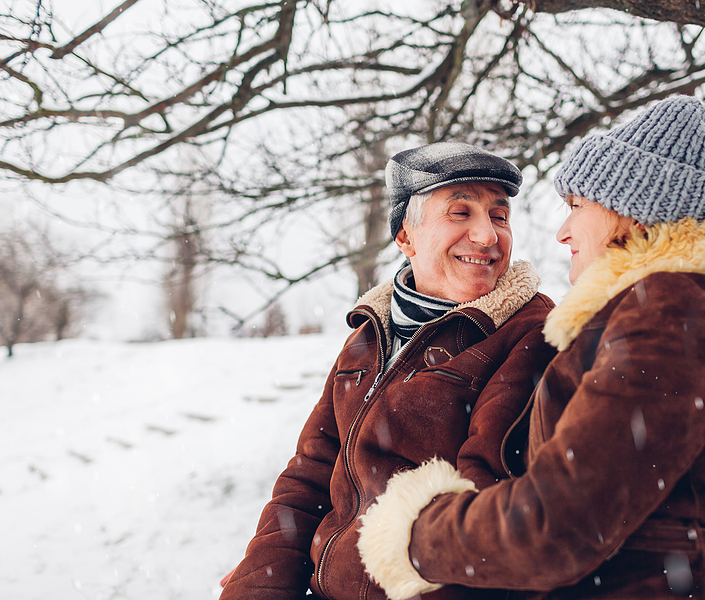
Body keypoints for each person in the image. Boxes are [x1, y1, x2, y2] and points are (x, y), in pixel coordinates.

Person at [358, 96, 705, 599]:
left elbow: (559, 524)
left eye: (577, 207)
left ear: (631, 216)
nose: (562, 231)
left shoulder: (670, 322)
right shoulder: (651, 318)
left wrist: (414, 533)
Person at [219, 142, 556, 600]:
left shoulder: (530, 335)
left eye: (499, 216)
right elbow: (310, 477)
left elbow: (488, 503)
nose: (487, 236)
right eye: (461, 212)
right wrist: (257, 585)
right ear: (405, 237)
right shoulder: (367, 337)